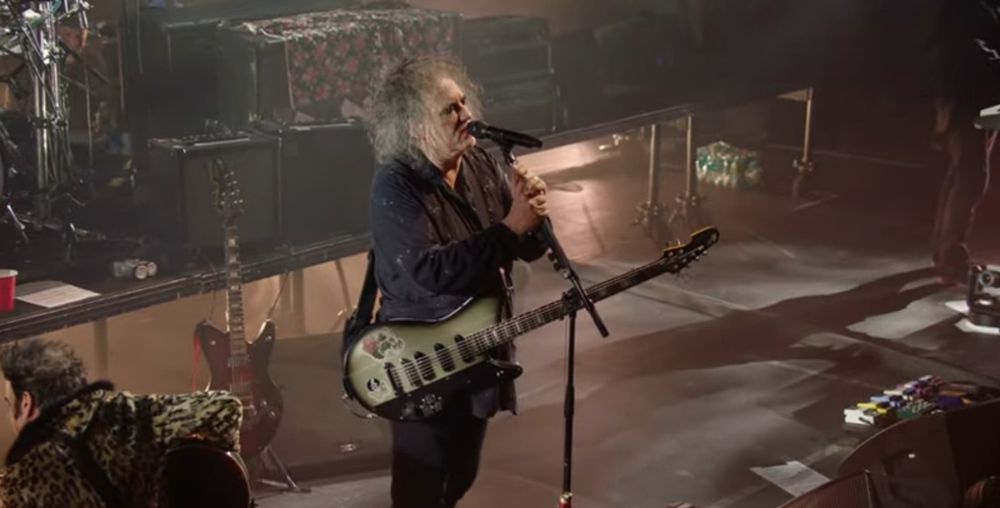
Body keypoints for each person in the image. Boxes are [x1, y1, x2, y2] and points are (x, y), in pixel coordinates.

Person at [366, 55, 549, 508]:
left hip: (479, 351)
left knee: (461, 475)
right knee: (420, 490)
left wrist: (534, 216)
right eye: (449, 108)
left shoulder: (482, 164)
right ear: (415, 127)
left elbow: (526, 247)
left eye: (463, 101)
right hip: (421, 362)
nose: (466, 113)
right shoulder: (395, 185)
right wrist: (510, 228)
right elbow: (428, 272)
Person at [0, 337, 243, 507]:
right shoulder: (128, 412)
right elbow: (225, 408)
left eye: (9, 402)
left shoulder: (22, 481)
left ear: (27, 403)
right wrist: (200, 470)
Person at [928, 0, 1000, 283]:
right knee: (971, 177)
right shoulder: (964, 8)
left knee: (963, 174)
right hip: (967, 100)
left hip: (981, 100)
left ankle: (945, 251)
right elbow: (966, 50)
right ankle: (950, 254)